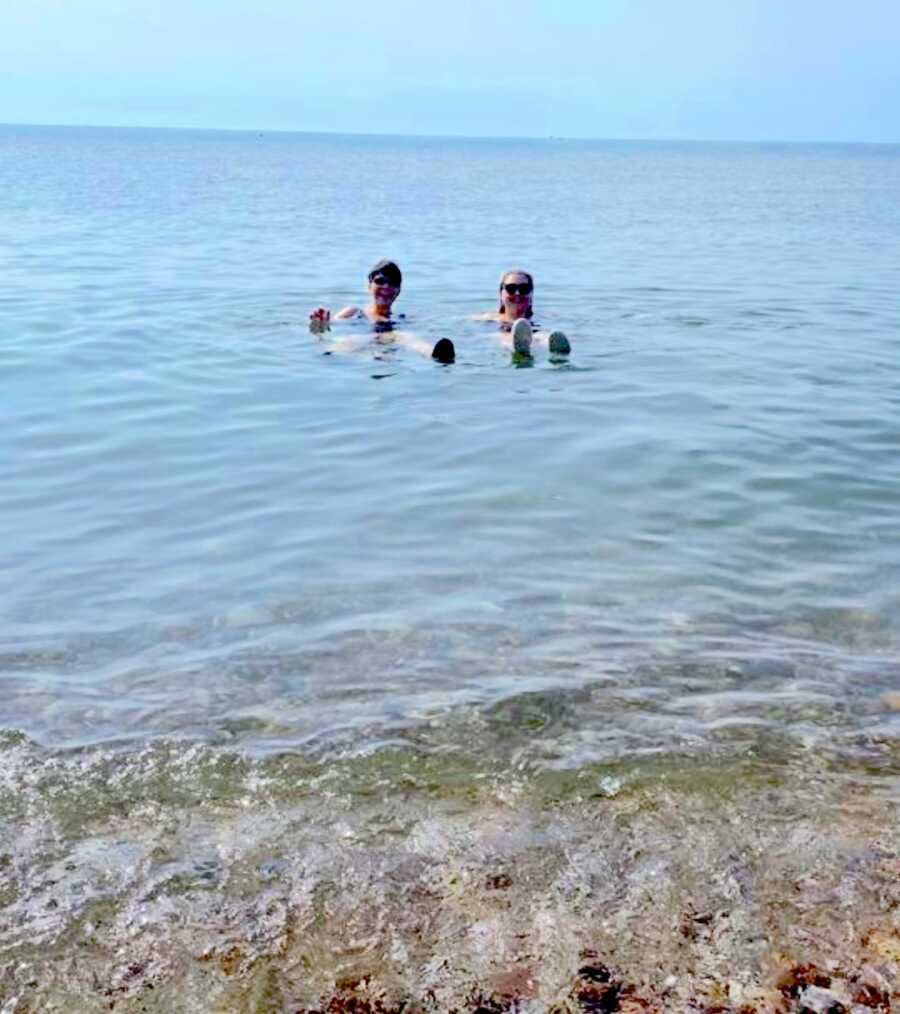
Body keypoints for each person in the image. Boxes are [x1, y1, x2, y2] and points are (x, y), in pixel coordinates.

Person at [310, 260, 454, 363]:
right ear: (369, 286)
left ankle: (435, 354)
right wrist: (319, 325)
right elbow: (331, 326)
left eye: (392, 283)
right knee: (352, 340)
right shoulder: (354, 312)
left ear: (398, 291)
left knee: (406, 337)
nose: (386, 286)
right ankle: (331, 353)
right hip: (362, 340)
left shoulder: (401, 318)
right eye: (380, 281)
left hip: (391, 343)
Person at [473, 268, 570, 357]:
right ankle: (520, 347)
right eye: (511, 289)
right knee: (500, 338)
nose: (517, 293)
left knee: (543, 336)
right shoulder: (488, 319)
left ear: (531, 294)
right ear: (501, 294)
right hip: (503, 335)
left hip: (534, 332)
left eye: (524, 289)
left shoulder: (543, 317)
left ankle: (556, 350)